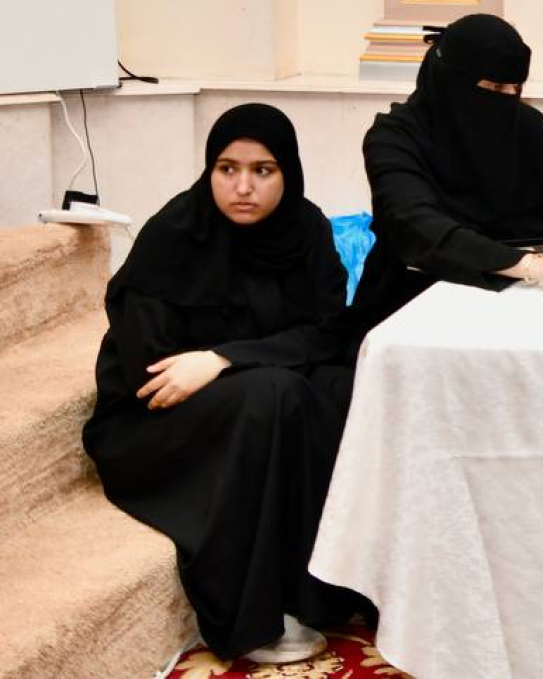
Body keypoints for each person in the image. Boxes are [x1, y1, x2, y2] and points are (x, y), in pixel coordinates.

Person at [82, 104, 367, 665]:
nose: (242, 187)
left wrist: (222, 358)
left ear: (288, 172)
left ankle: (324, 588)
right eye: (227, 168)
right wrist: (234, 369)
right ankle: (249, 612)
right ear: (209, 169)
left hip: (241, 385)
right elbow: (150, 370)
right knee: (275, 394)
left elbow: (328, 331)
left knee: (342, 387)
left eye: (263, 170)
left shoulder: (305, 229)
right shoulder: (175, 233)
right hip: (155, 417)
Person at [348, 14, 543, 339]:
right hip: (412, 304)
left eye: (515, 88)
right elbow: (417, 226)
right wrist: (530, 266)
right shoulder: (394, 137)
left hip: (514, 304)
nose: (506, 98)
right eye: (494, 87)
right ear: (453, 82)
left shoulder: (524, 125)